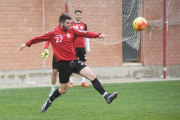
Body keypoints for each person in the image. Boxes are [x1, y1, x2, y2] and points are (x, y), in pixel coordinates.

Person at [20, 13, 118, 113]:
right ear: (61, 23)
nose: (70, 25)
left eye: (70, 23)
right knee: (63, 90)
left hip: (74, 61)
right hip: (63, 65)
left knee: (91, 75)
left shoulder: (72, 30)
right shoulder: (53, 32)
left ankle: (106, 96)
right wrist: (27, 44)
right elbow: (39, 38)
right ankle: (48, 102)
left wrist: (98, 35)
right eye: (67, 23)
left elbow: (85, 33)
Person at [69, 10, 90, 87]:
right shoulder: (71, 24)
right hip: (73, 48)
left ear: (81, 15)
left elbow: (86, 36)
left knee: (83, 64)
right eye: (77, 14)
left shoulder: (84, 24)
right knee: (72, 64)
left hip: (82, 47)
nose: (78, 16)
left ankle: (83, 82)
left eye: (80, 15)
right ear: (75, 15)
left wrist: (88, 48)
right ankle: (71, 82)